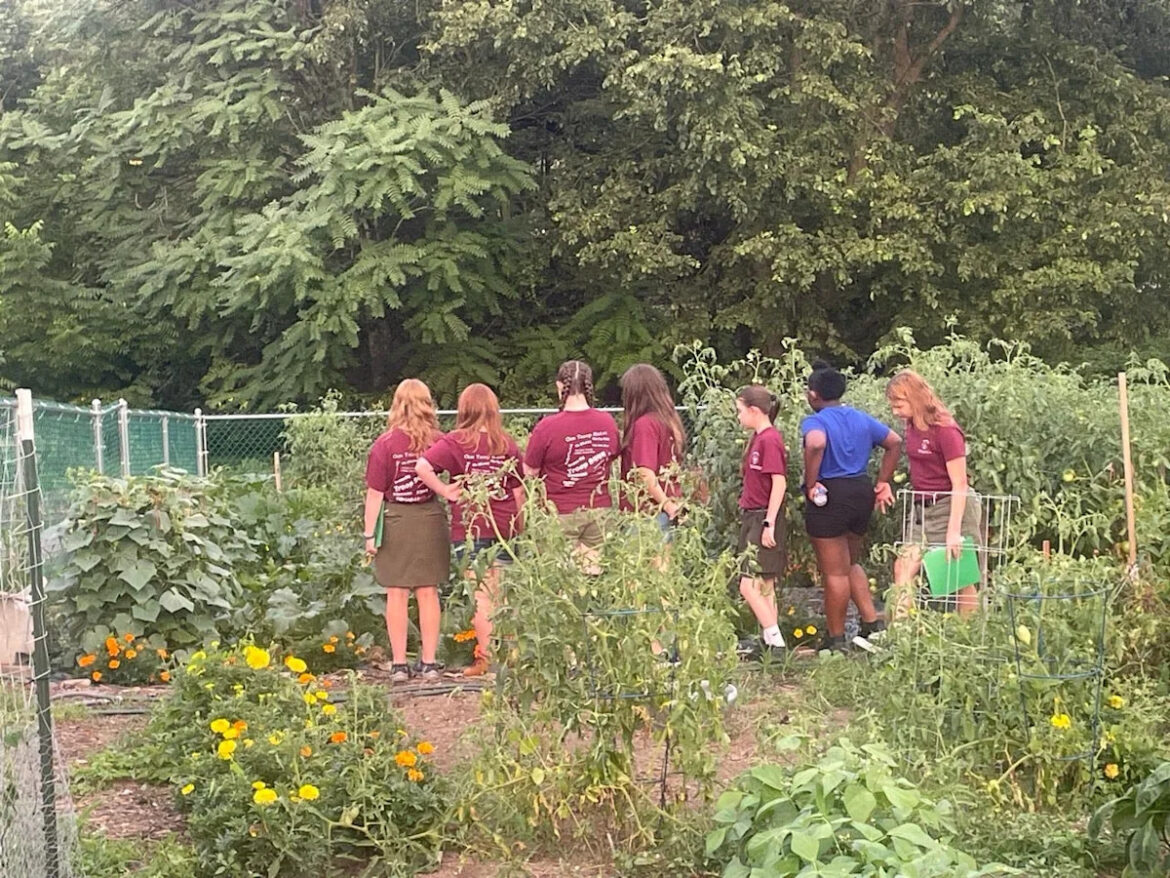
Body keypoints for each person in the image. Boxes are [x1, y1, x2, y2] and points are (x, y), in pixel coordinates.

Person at [416, 384, 525, 678]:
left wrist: (445, 491)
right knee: (505, 595)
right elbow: (519, 491)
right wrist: (521, 524)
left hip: (470, 528)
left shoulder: (456, 442)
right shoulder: (505, 444)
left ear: (464, 409)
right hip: (506, 527)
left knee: (482, 596)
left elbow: (422, 466)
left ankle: (487, 659)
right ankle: (510, 657)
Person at [800, 362, 902, 652]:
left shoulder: (815, 421)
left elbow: (816, 444)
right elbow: (894, 442)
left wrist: (811, 483)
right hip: (860, 491)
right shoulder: (859, 417)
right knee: (850, 562)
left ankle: (835, 640)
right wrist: (883, 481)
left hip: (830, 494)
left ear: (814, 394)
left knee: (834, 572)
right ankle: (872, 623)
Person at [363, 379, 447, 684]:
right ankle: (430, 663)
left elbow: (375, 493)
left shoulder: (385, 444)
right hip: (430, 519)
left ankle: (399, 665)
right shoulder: (439, 440)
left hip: (396, 519)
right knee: (428, 591)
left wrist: (369, 535)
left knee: (396, 592)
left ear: (397, 404)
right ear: (427, 403)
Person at [886, 369, 983, 617]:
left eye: (899, 404)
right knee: (904, 566)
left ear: (915, 398)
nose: (895, 411)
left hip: (951, 505)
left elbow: (960, 482)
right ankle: (899, 636)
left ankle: (966, 636)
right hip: (922, 509)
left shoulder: (946, 430)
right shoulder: (911, 426)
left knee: (961, 574)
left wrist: (954, 531)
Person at [523, 360, 620, 573]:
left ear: (560, 386)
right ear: (589, 385)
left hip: (560, 512)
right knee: (591, 577)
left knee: (561, 580)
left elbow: (529, 471)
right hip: (599, 510)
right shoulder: (607, 422)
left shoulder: (547, 427)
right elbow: (611, 457)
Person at [734, 385, 788, 657]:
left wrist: (769, 522)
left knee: (747, 583)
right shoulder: (758, 438)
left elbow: (779, 482)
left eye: (740, 411)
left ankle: (776, 641)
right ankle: (770, 643)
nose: (739, 417)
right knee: (765, 583)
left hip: (763, 516)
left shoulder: (770, 440)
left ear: (754, 411)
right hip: (752, 514)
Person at [619, 363, 685, 533]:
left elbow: (645, 473)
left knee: (646, 559)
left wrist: (666, 505)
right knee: (665, 559)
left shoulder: (645, 425)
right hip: (669, 506)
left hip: (648, 513)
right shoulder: (668, 420)